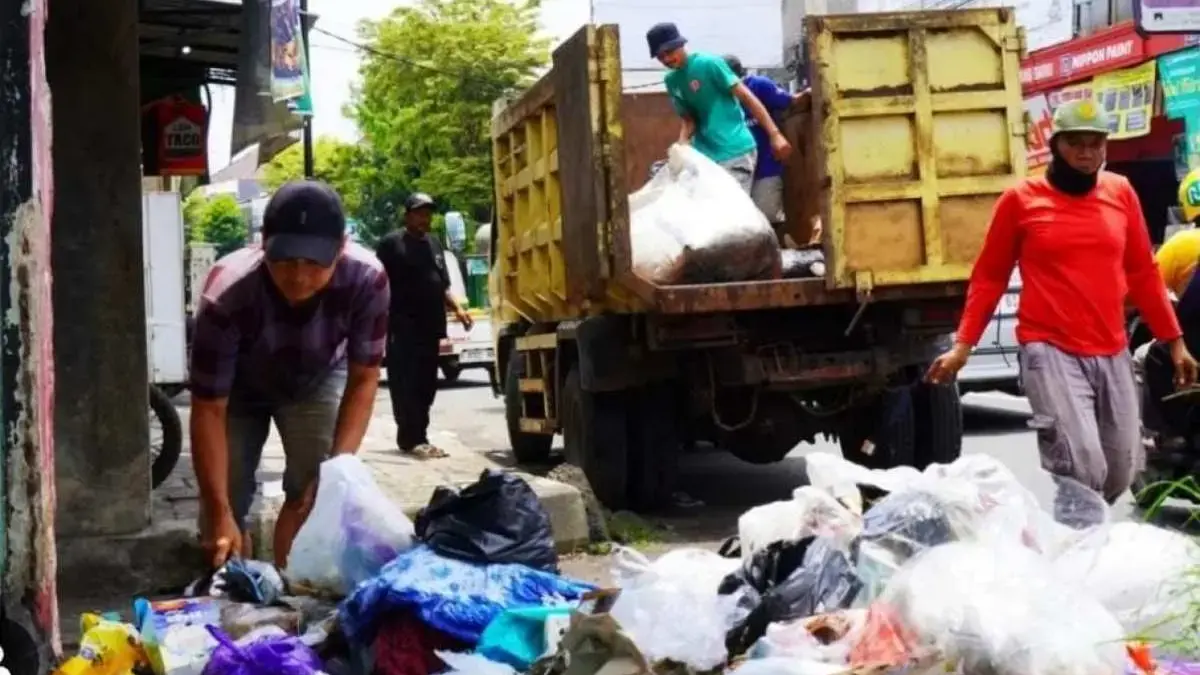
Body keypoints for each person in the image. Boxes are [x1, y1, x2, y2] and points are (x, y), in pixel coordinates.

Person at [925, 99, 1198, 505]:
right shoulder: (1021, 199)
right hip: (1049, 349)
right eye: (1076, 143)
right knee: (1082, 465)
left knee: (1122, 466)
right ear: (1056, 146)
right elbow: (990, 276)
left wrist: (1175, 342)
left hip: (1111, 348)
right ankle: (1077, 553)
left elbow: (1142, 272)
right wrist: (963, 346)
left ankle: (1075, 534)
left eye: (1095, 143)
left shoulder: (1120, 193)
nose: (1087, 153)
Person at [190, 180, 390, 568]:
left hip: (315, 380)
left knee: (313, 495)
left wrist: (336, 471)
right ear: (263, 242)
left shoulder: (368, 280)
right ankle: (233, 598)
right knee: (222, 508)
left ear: (342, 247)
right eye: (284, 260)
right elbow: (208, 408)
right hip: (237, 391)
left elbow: (364, 379)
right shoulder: (227, 292)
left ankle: (292, 592)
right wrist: (218, 509)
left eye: (315, 263)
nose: (298, 277)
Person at [375, 192, 473, 459]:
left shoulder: (434, 244)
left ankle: (419, 435)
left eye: (428, 213)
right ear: (407, 216)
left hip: (431, 327)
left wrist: (459, 309)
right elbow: (376, 284)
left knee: (427, 385)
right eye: (419, 213)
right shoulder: (391, 244)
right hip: (402, 327)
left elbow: (441, 284)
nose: (425, 218)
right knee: (406, 383)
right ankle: (412, 438)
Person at [646, 22, 792, 193]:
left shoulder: (709, 64)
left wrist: (775, 134)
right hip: (706, 158)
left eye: (669, 52)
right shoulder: (671, 81)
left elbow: (747, 97)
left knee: (730, 214)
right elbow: (689, 119)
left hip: (735, 151)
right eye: (660, 57)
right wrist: (682, 145)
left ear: (681, 44)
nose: (666, 60)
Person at [723, 54, 806, 229]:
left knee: (768, 217)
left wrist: (809, 94)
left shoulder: (758, 85)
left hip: (765, 166)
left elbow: (789, 102)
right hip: (734, 168)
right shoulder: (719, 98)